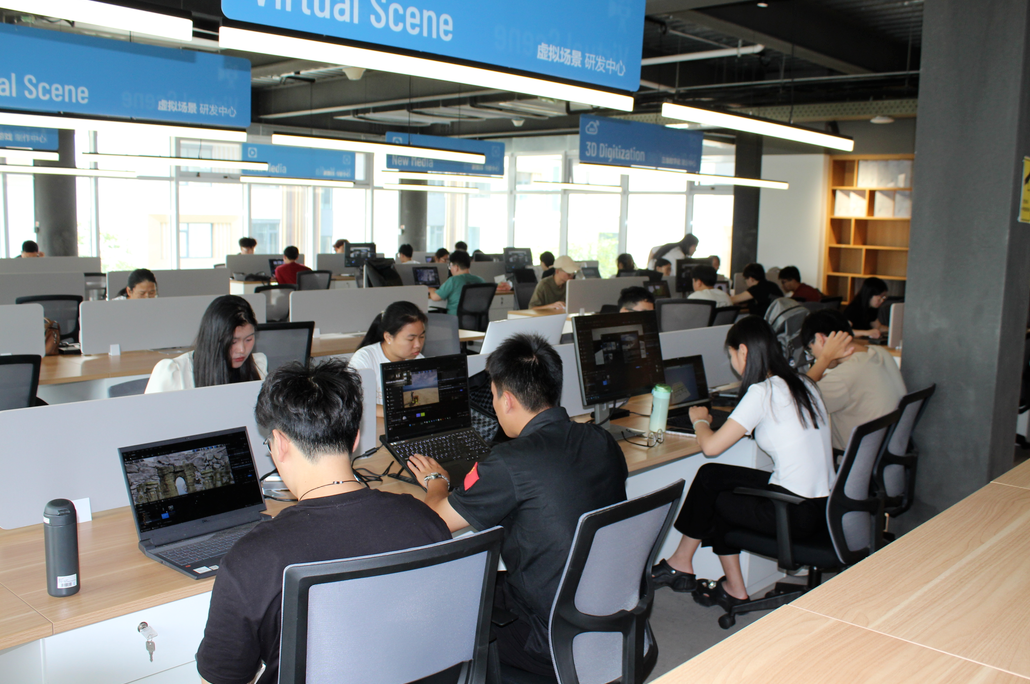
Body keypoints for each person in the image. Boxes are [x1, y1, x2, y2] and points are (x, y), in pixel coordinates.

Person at [195, 360, 449, 684]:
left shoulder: (253, 559)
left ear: (279, 444)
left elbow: (220, 679)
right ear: (355, 439)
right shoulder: (423, 520)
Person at [407, 334, 627, 676]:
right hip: (608, 612)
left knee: (433, 606)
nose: (494, 405)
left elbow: (436, 520)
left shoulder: (510, 462)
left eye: (493, 395)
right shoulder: (601, 439)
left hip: (547, 635)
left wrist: (436, 481)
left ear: (507, 399)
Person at [651, 317, 832, 606]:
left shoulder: (763, 392)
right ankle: (692, 568)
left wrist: (700, 421)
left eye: (731, 354)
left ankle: (689, 567)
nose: (733, 362)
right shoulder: (804, 383)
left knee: (718, 499)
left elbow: (711, 446)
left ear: (743, 351)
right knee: (712, 476)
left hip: (794, 513)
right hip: (824, 506)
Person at [801, 309, 907, 451]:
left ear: (821, 339)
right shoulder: (880, 352)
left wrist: (825, 358)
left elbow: (796, 402)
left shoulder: (844, 377)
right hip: (886, 453)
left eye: (810, 350)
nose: (814, 356)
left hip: (852, 459)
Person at [145, 295, 267, 393]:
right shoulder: (175, 374)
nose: (242, 350)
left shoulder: (257, 367)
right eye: (233, 342)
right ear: (213, 339)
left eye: (248, 340)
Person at [349, 301, 426, 409]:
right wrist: (396, 413)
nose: (418, 345)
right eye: (410, 339)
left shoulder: (419, 359)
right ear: (388, 337)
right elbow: (356, 404)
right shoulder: (365, 358)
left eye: (422, 337)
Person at [428, 250, 485, 315]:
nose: (450, 269)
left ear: (456, 267)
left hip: (455, 319)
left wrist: (431, 289)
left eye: (450, 266)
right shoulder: (481, 280)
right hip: (476, 319)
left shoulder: (453, 280)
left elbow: (435, 297)